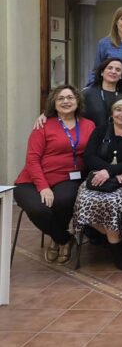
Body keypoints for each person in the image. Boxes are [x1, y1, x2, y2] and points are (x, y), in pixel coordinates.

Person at [14, 85, 96, 264]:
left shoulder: (89, 125)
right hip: (32, 179)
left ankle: (55, 239)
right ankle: (64, 239)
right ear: (53, 103)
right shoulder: (43, 125)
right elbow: (32, 159)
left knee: (64, 200)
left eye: (70, 97)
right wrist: (43, 187)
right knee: (38, 209)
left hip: (68, 177)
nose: (66, 101)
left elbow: (94, 153)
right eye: (61, 98)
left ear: (77, 101)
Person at [75, 96, 122, 269]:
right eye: (118, 110)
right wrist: (109, 171)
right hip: (99, 179)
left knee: (113, 202)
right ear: (112, 112)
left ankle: (116, 249)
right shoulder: (101, 131)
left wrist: (111, 171)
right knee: (84, 199)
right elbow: (89, 157)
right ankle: (117, 242)